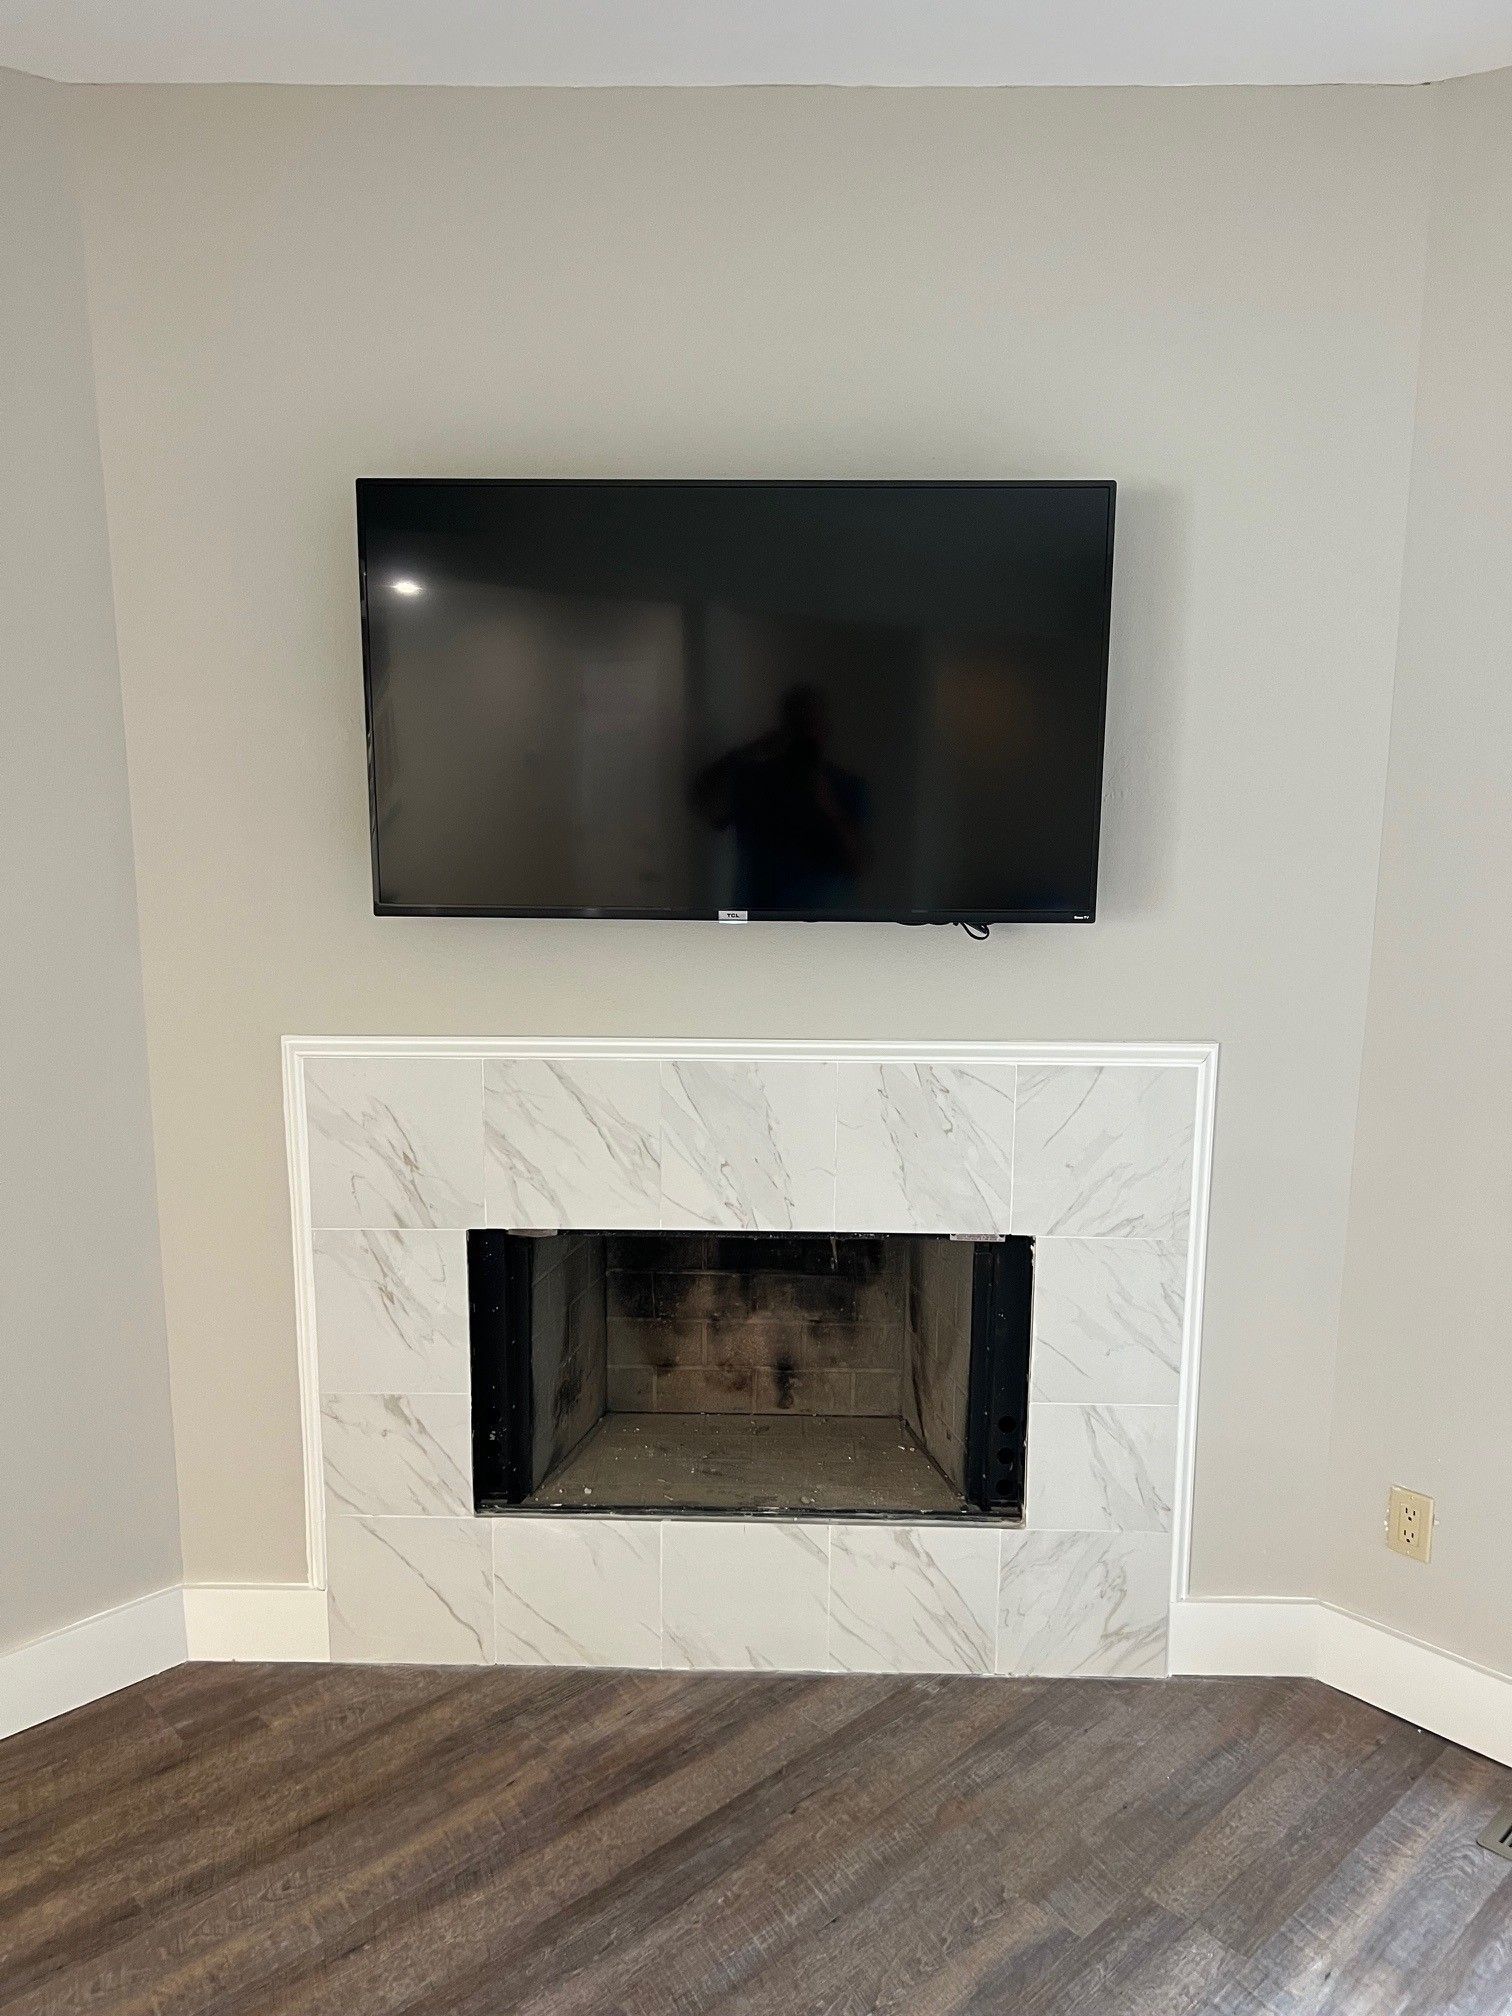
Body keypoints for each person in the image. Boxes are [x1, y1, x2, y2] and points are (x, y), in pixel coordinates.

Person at [692, 684, 870, 912]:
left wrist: (831, 808)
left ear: (825, 729)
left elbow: (860, 866)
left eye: (810, 726)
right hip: (751, 927)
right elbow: (705, 803)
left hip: (825, 934)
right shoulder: (754, 780)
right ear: (783, 730)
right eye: (797, 726)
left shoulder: (846, 787)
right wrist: (755, 748)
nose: (804, 736)